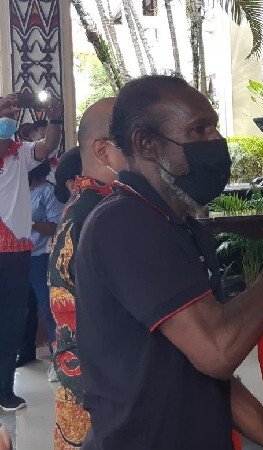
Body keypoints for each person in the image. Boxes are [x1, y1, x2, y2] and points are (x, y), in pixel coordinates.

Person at [74, 75, 263, 450]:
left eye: (214, 126)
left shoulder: (178, 224)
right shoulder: (124, 223)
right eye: (198, 130)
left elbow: (210, 374)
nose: (215, 141)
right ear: (145, 143)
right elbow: (217, 352)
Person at [47, 98, 126, 450]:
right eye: (137, 138)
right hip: (101, 397)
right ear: (102, 149)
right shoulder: (101, 216)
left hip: (92, 387)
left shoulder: (90, 206)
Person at [0, 93, 62, 411]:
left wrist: (54, 117)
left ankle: (4, 389)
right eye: (4, 111)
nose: (9, 116)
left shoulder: (20, 154)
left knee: (10, 321)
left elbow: (48, 145)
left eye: (12, 112)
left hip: (15, 252)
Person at [16, 161, 64, 382]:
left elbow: (55, 226)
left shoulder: (48, 192)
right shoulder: (19, 190)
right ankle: (25, 352)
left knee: (48, 307)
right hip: (19, 255)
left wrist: (32, 223)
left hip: (41, 256)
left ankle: (59, 358)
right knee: (24, 307)